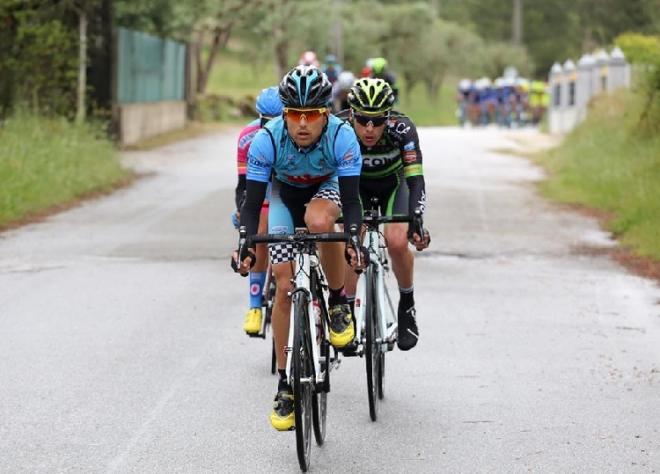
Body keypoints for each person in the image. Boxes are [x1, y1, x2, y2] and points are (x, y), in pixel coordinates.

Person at [233, 65, 366, 431]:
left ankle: (338, 303)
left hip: (328, 188)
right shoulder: (267, 140)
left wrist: (353, 237)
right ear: (284, 113)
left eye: (312, 115)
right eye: (294, 114)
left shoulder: (343, 136)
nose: (302, 123)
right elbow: (250, 204)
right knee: (284, 286)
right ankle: (285, 385)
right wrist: (245, 244)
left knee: (322, 222)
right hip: (283, 197)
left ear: (326, 113)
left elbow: (353, 203)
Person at [336, 78, 430, 351]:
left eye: (378, 121)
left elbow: (415, 180)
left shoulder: (403, 128)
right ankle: (347, 311)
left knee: (398, 241)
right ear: (351, 113)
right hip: (356, 189)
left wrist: (417, 217)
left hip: (393, 185)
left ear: (388, 118)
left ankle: (407, 305)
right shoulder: (338, 128)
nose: (369, 128)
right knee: (351, 244)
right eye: (363, 119)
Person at [233, 87, 283, 335]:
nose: (271, 128)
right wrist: (242, 212)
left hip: (288, 185)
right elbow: (243, 186)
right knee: (260, 232)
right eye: (266, 122)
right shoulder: (248, 137)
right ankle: (255, 306)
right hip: (261, 188)